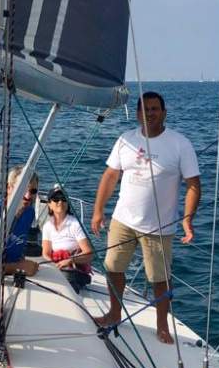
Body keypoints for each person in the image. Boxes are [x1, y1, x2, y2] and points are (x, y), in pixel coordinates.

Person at [91, 91, 201, 344]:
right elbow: (110, 176)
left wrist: (187, 219)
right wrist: (98, 210)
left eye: (154, 109)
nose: (149, 113)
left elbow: (194, 185)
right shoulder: (125, 139)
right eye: (145, 109)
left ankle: (162, 325)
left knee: (159, 279)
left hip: (158, 227)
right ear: (137, 113)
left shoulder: (180, 144)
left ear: (164, 113)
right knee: (112, 268)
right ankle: (114, 313)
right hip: (123, 220)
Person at [41, 187, 94, 291]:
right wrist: (53, 265)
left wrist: (70, 260)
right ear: (49, 204)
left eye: (63, 199)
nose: (60, 202)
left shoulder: (75, 224)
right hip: (56, 267)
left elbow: (89, 254)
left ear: (68, 203)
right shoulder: (47, 226)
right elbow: (46, 253)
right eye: (56, 199)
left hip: (74, 268)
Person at [0, 166, 40, 277]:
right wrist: (16, 267)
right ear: (9, 188)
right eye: (23, 190)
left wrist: (22, 262)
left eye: (33, 191)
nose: (28, 196)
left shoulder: (30, 213)